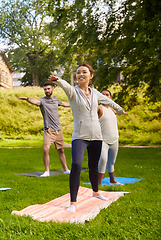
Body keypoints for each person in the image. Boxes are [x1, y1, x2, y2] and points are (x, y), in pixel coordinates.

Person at [48, 63, 127, 212]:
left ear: (91, 75)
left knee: (94, 166)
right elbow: (65, 86)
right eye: (78, 73)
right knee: (76, 165)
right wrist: (58, 80)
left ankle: (96, 192)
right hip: (80, 136)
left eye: (84, 72)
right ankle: (73, 202)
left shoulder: (95, 93)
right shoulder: (73, 92)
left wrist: (120, 110)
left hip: (96, 136)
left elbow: (108, 101)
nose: (81, 74)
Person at [19, 82, 70, 177]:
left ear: (52, 89)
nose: (47, 91)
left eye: (48, 89)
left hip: (58, 130)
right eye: (45, 89)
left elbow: (64, 104)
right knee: (46, 149)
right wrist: (27, 99)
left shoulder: (55, 100)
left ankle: (66, 169)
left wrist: (73, 104)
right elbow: (36, 102)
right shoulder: (42, 101)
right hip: (49, 130)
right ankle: (47, 171)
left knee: (61, 150)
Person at [97, 90, 123, 186]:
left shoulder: (111, 109)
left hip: (114, 138)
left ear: (110, 98)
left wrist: (122, 112)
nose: (105, 96)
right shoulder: (99, 108)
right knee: (103, 159)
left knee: (111, 161)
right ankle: (99, 183)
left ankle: (112, 180)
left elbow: (116, 111)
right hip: (103, 140)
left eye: (107, 95)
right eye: (102, 95)